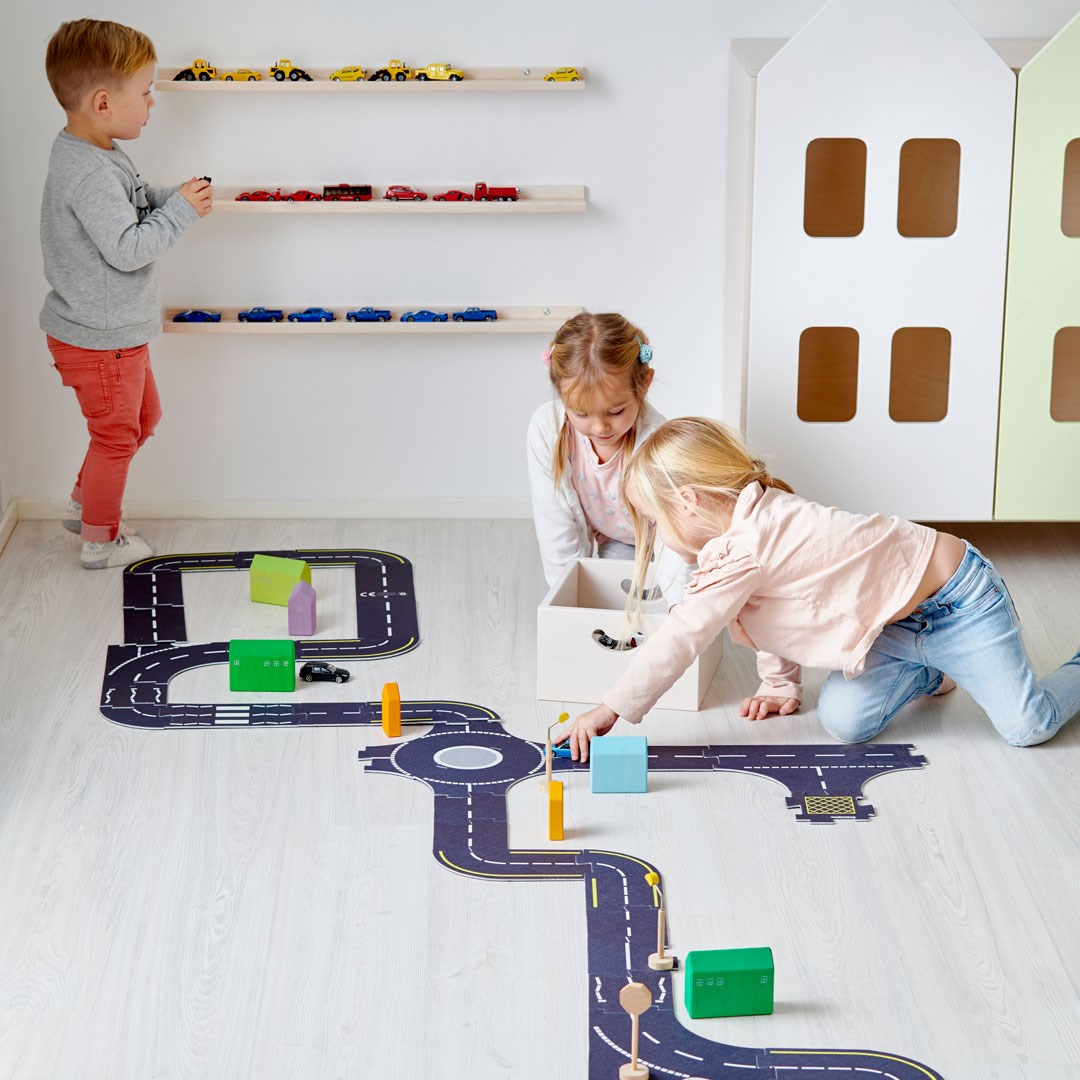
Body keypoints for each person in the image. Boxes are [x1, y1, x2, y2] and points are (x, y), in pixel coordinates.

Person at [557, 416, 1080, 760]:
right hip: (890, 628)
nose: (658, 536)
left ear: (689, 502)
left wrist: (609, 708)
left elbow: (682, 635)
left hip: (960, 600)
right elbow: (778, 610)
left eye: (656, 521)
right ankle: (932, 671)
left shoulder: (749, 543)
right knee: (844, 721)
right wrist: (781, 684)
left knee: (1027, 726)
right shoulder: (746, 528)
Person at [41, 19, 213, 569]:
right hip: (100, 341)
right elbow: (128, 247)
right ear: (103, 102)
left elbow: (132, 203)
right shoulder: (89, 171)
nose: (152, 103)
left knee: (143, 418)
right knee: (116, 437)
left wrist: (172, 197)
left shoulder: (98, 150)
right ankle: (100, 541)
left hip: (111, 335)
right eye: (144, 92)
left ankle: (85, 505)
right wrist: (179, 214)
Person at [526, 311, 687, 603]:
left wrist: (678, 607)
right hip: (619, 543)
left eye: (615, 412)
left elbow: (679, 536)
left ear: (644, 384)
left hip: (674, 546)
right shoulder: (547, 429)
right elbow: (555, 528)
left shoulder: (658, 443)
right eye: (581, 413)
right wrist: (567, 596)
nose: (600, 427)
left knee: (669, 602)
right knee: (612, 599)